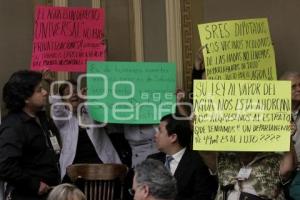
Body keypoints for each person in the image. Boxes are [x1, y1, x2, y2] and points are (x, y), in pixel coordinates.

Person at [0, 70, 60, 200]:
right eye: (39, 90)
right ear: (25, 97)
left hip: (49, 192)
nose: (45, 92)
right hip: (27, 195)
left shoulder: (41, 118)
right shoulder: (13, 126)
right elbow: (5, 166)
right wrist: (34, 184)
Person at [50, 80, 122, 180]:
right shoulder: (64, 118)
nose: (73, 94)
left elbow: (104, 111)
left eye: (75, 91)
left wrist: (90, 98)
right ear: (63, 101)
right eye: (68, 93)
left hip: (101, 165)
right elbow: (56, 108)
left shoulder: (91, 110)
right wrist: (52, 84)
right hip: (74, 168)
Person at [148, 114, 217, 200]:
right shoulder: (152, 160)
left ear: (173, 137)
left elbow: (202, 196)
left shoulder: (197, 163)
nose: (155, 135)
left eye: (160, 131)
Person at [280, 72, 300, 199]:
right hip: (279, 169)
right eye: (293, 86)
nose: (299, 89)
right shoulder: (271, 112)